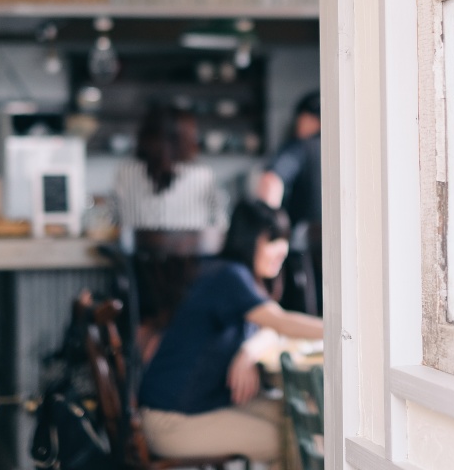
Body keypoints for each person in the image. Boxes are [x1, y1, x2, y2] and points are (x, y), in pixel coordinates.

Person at [137, 201, 323, 466]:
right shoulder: (229, 277)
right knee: (290, 438)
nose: (282, 250)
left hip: (200, 404)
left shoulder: (233, 274)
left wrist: (246, 353)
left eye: (284, 240)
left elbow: (270, 329)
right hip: (170, 420)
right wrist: (343, 332)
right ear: (248, 240)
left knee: (298, 415)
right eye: (273, 240)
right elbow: (280, 323)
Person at [257, 92, 322, 313]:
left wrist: (272, 229)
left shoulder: (301, 147)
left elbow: (271, 180)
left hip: (304, 269)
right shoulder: (354, 150)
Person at [114, 104, 228, 231]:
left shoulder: (125, 173)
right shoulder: (202, 174)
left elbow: (115, 220)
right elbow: (219, 223)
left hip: (136, 249)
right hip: (191, 249)